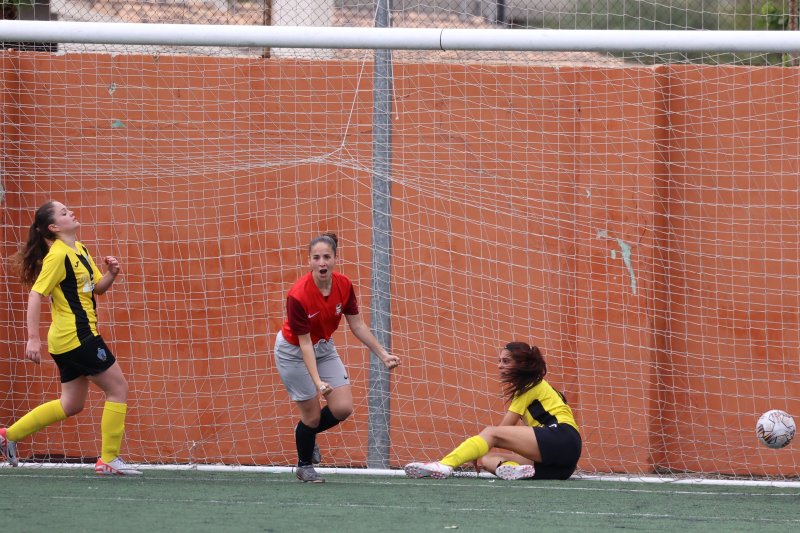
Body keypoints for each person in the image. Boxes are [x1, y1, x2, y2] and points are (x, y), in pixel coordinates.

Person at [0, 201, 141, 476]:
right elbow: (35, 294)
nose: (71, 212)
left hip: (68, 340)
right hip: (78, 336)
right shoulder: (57, 256)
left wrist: (111, 274)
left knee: (71, 404)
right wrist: (32, 338)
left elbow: (96, 288)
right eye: (64, 213)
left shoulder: (80, 249)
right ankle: (109, 459)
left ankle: (8, 436)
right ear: (54, 227)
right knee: (118, 389)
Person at [275, 232, 400, 483]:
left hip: (323, 347)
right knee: (312, 416)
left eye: (327, 257)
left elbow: (358, 324)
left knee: (342, 408)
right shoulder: (297, 295)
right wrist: (317, 382)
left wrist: (383, 354)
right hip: (293, 352)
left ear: (335, 259)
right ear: (309, 261)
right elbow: (304, 343)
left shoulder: (344, 285)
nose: (322, 262)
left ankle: (304, 432)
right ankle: (304, 465)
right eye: (316, 258)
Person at [405, 341, 581, 481]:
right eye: (499, 361)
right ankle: (515, 470)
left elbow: (501, 430)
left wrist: (476, 448)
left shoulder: (530, 386)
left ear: (522, 364)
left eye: (506, 361)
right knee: (488, 459)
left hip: (561, 437)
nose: (499, 366)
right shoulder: (536, 387)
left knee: (491, 433)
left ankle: (444, 465)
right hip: (563, 464)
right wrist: (480, 451)